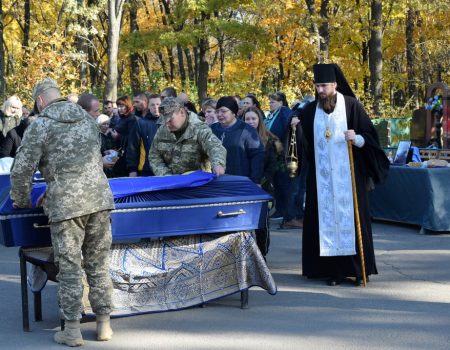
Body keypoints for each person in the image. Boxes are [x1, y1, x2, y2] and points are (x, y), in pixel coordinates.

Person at [10, 78, 115, 346]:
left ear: (40, 101)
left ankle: (71, 330)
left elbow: (22, 169)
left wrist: (21, 199)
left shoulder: (41, 125)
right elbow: (91, 160)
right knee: (98, 263)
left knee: (69, 267)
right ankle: (104, 325)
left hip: (67, 206)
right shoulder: (87, 119)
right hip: (99, 199)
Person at [299, 63, 389, 286]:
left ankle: (359, 271)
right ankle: (333, 272)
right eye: (318, 86)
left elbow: (371, 138)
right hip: (321, 180)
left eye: (325, 86)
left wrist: (357, 138)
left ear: (335, 84)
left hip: (349, 177)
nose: (321, 90)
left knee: (352, 219)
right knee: (325, 221)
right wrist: (296, 129)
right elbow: (303, 147)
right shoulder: (310, 111)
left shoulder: (351, 106)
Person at [149, 97, 226, 176]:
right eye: (164, 121)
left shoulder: (199, 128)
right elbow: (154, 156)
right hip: (170, 183)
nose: (167, 124)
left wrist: (218, 164)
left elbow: (215, 147)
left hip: (196, 183)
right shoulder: (162, 130)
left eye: (170, 120)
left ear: (182, 112)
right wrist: (167, 176)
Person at [211, 96, 264, 184]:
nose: (219, 114)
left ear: (233, 112)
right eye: (217, 111)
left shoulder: (247, 131)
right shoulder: (211, 129)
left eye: (223, 111)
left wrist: (256, 181)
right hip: (215, 181)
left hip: (240, 182)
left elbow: (257, 156)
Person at [127, 93, 161, 176]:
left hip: (166, 170)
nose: (156, 107)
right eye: (152, 105)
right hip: (146, 170)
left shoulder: (169, 123)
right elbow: (132, 148)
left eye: (158, 104)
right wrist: (132, 170)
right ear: (148, 106)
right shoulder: (140, 123)